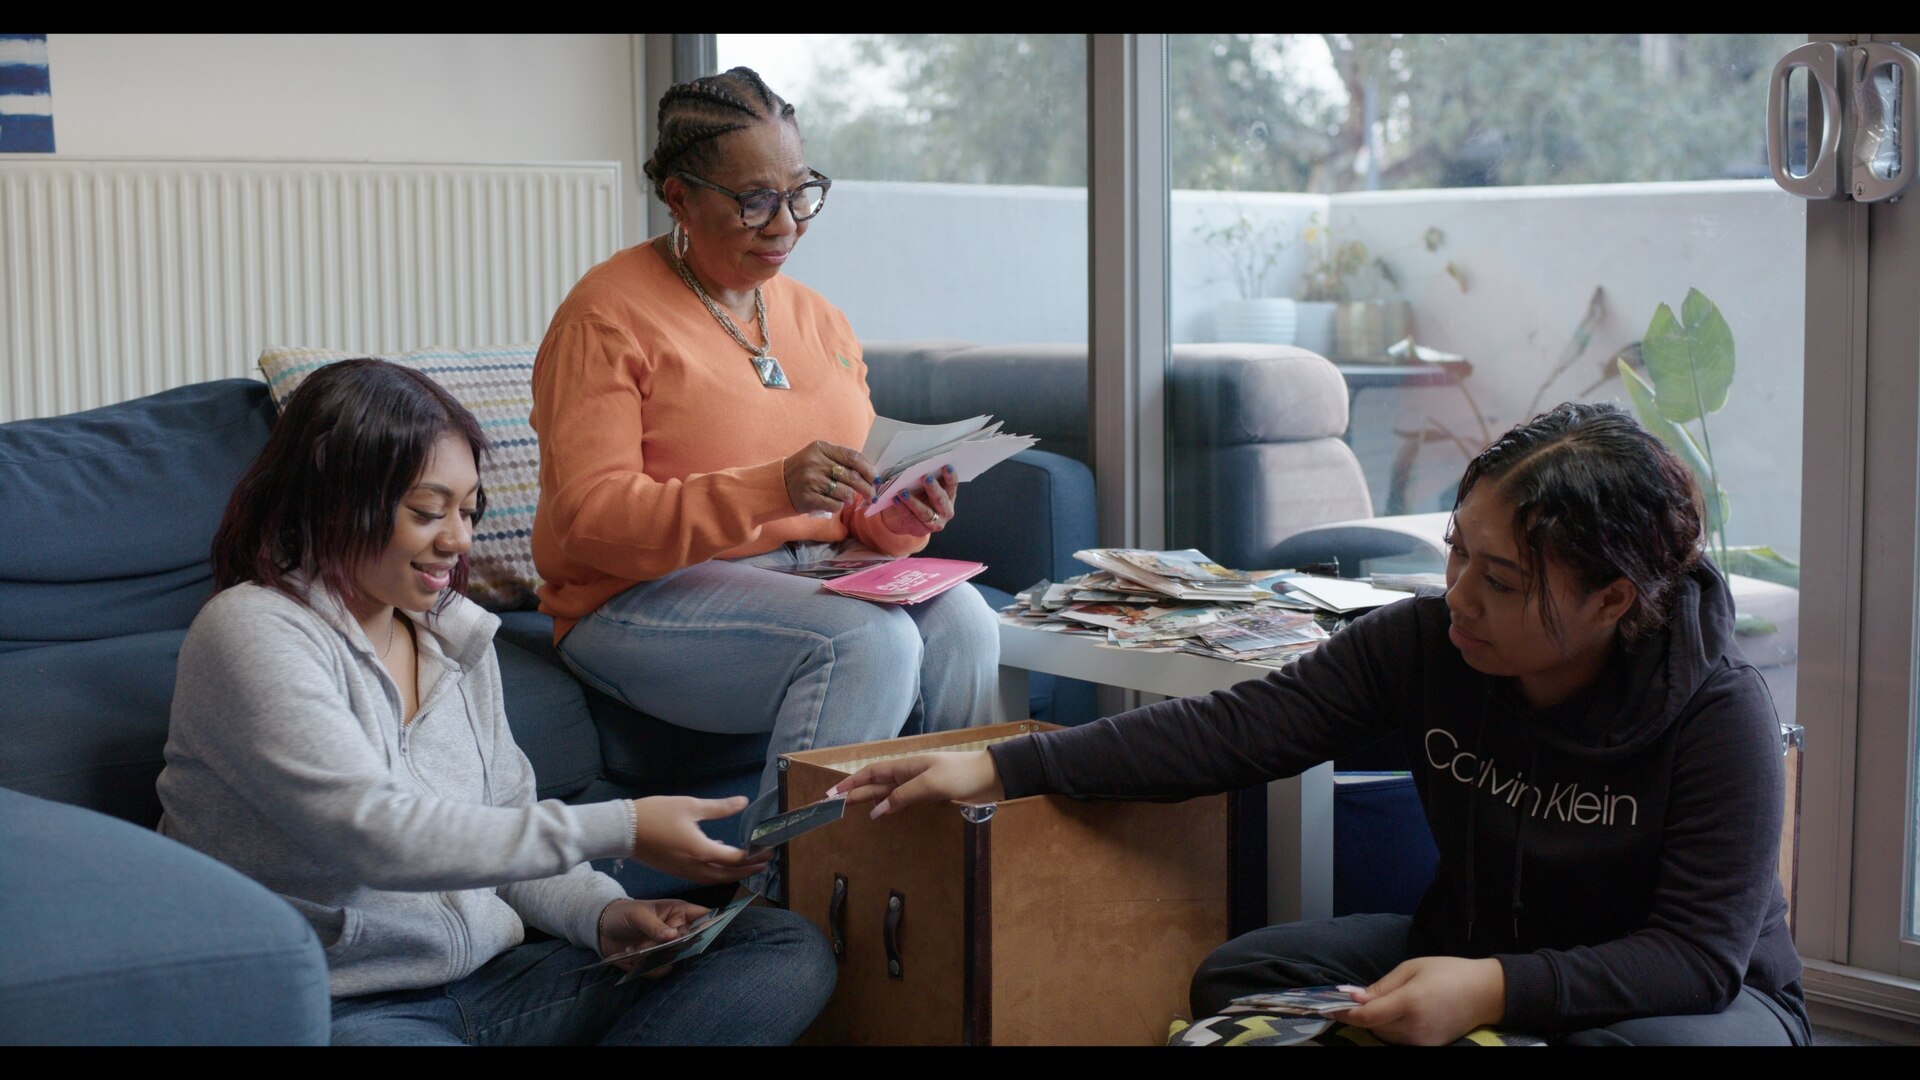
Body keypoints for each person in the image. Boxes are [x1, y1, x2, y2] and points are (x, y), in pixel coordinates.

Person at [829, 402, 1810, 1047]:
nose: (1457, 595)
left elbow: (1695, 956)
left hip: (1697, 1006)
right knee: (1242, 979)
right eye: (1456, 552)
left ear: (1609, 601)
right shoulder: (1426, 641)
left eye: (1499, 580)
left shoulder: (1719, 713)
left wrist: (1494, 993)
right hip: (1470, 952)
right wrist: (1003, 768)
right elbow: (1236, 730)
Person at [156, 359, 836, 1046]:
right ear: (336, 497)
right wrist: (623, 826)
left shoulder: (455, 637)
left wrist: (604, 917)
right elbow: (377, 838)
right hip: (349, 1007)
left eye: (466, 511)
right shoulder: (250, 630)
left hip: (501, 981)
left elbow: (507, 823)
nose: (457, 542)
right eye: (427, 512)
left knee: (781, 949)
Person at [527, 66, 1000, 888]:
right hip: (637, 597)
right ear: (677, 197)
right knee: (869, 641)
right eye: (753, 201)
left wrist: (900, 517)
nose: (784, 224)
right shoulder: (605, 316)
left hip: (807, 576)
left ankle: (946, 891)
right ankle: (776, 904)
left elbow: (847, 513)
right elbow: (590, 520)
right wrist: (768, 488)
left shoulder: (817, 317)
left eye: (800, 193)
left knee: (963, 619)